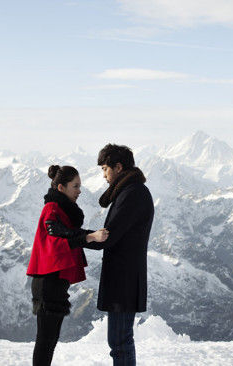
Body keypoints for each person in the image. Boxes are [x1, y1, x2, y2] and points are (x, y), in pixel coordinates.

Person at [26, 165, 109, 366]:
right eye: (75, 186)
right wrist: (90, 237)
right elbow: (58, 234)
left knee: (50, 340)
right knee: (46, 340)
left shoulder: (61, 209)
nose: (79, 190)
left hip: (55, 281)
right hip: (48, 282)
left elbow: (71, 233)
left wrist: (98, 239)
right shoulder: (51, 209)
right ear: (61, 187)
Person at [85, 144, 155, 365]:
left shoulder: (132, 194)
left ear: (118, 167)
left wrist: (77, 238)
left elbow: (109, 236)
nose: (104, 175)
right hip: (124, 279)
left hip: (124, 281)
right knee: (119, 341)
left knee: (120, 342)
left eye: (105, 169)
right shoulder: (130, 192)